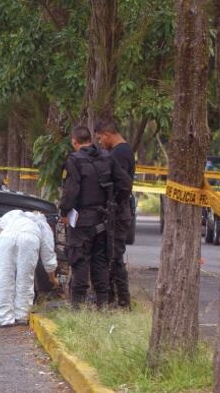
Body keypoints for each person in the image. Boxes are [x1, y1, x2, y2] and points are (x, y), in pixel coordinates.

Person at [59, 125, 130, 309]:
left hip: (81, 220)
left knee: (80, 259)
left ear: (75, 142)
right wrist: (113, 203)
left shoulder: (74, 160)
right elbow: (125, 184)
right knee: (100, 260)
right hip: (105, 219)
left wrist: (64, 212)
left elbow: (71, 191)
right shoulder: (108, 157)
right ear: (90, 139)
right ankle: (102, 304)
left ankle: (78, 307)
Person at [94, 119, 135, 309]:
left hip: (118, 212)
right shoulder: (120, 151)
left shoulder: (119, 153)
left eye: (100, 138)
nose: (100, 143)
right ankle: (112, 298)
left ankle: (122, 301)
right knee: (111, 254)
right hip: (118, 211)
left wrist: (113, 203)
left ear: (107, 134)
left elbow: (122, 185)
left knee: (115, 256)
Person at [0, 209, 57, 326]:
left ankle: (4, 318)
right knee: (25, 278)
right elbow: (48, 256)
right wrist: (52, 278)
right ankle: (22, 316)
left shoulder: (12, 214)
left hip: (6, 238)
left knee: (4, 277)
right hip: (29, 238)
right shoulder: (43, 224)